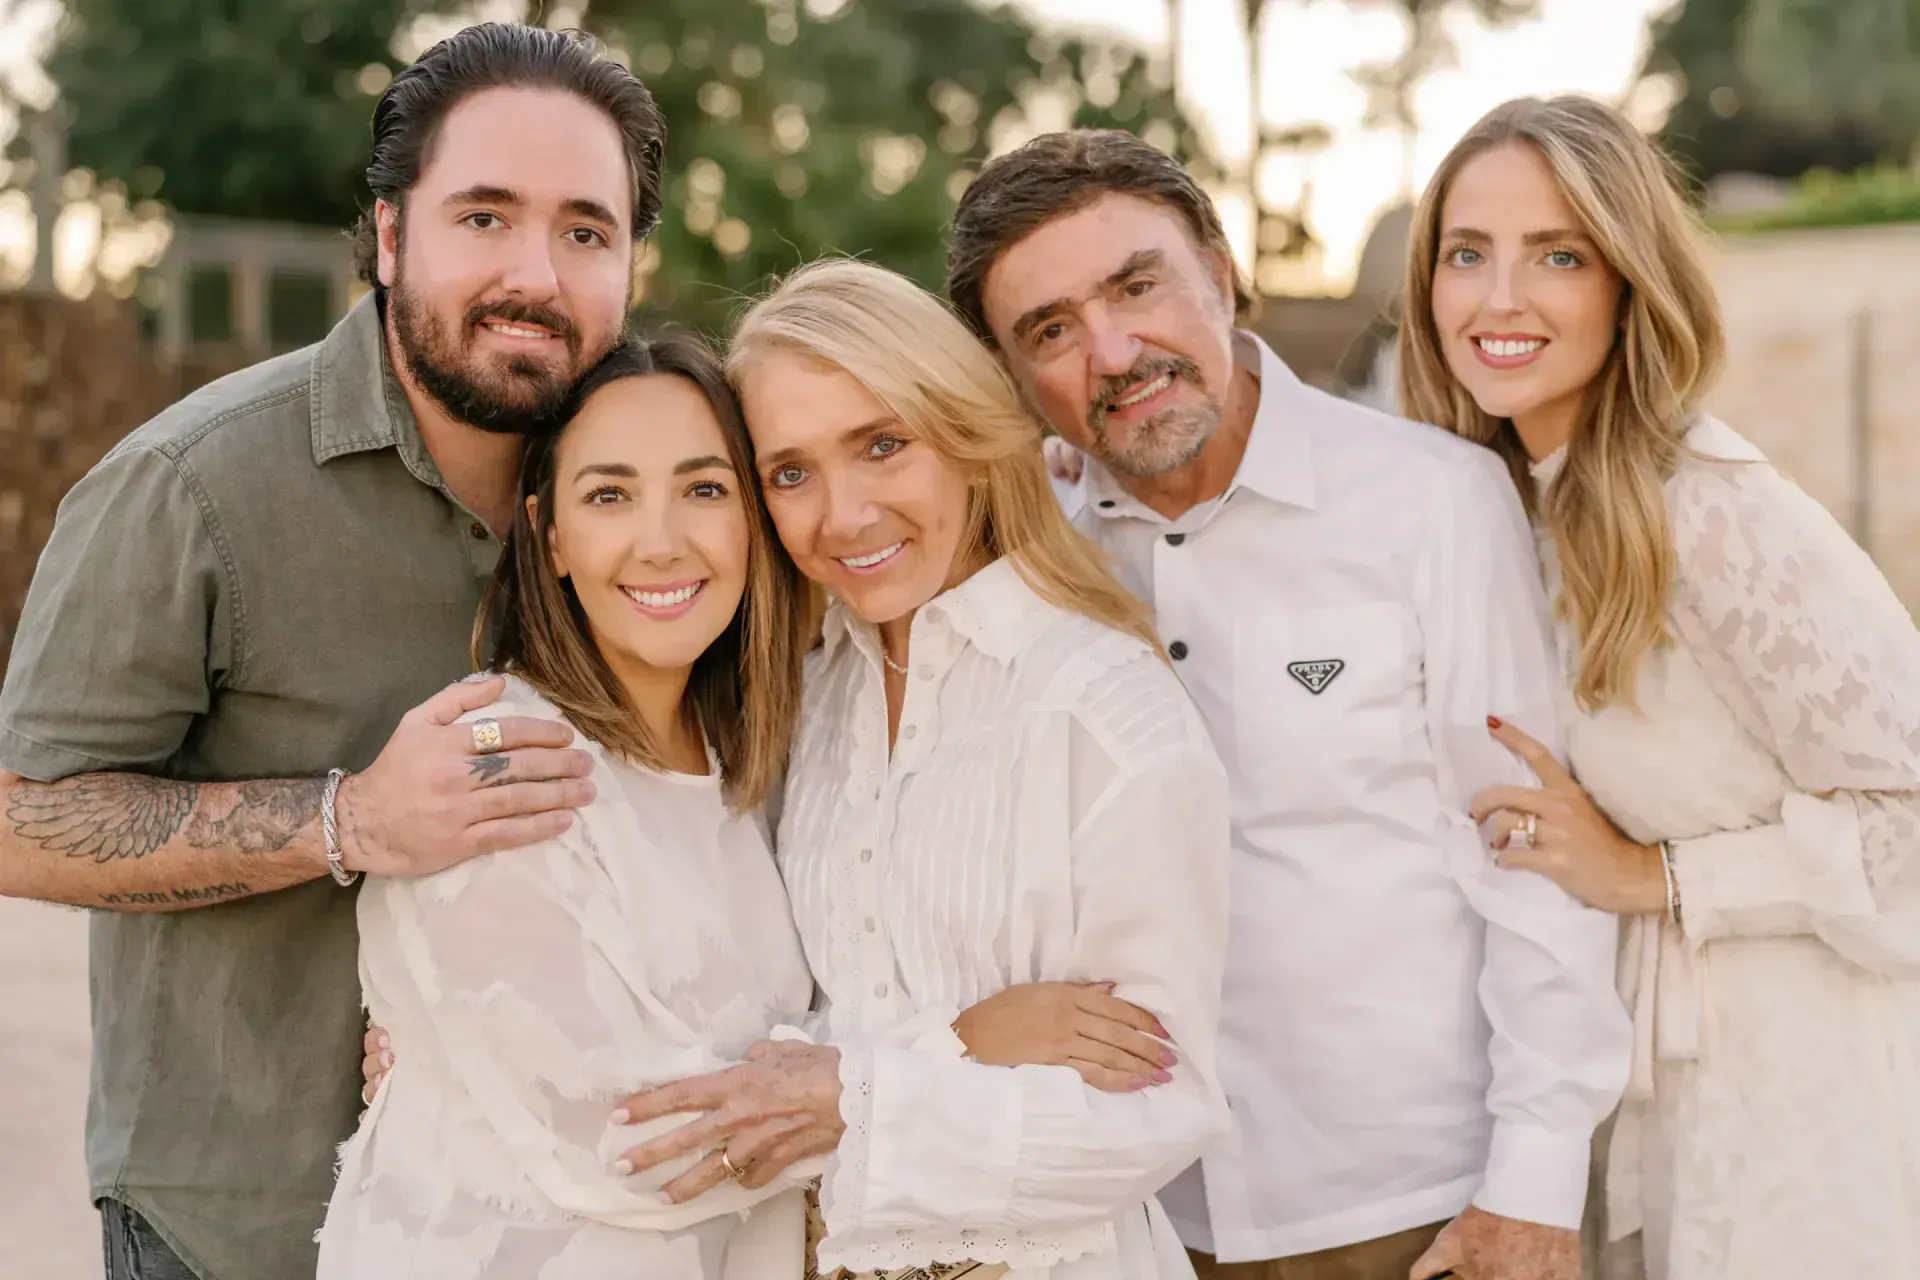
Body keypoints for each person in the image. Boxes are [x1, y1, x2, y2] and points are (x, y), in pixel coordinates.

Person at [0, 24, 658, 1279]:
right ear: (394, 231)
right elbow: (20, 819)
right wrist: (347, 817)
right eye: (484, 217)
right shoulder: (190, 489)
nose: (537, 271)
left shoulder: (669, 497)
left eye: (586, 230)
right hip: (250, 1229)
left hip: (563, 1225)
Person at [950, 130, 1633, 1280]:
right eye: (1051, 330)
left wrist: (1534, 1185)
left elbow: (1531, 861)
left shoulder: (1434, 505)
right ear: (1014, 379)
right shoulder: (1023, 559)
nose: (1114, 349)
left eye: (1137, 284)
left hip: (1415, 1207)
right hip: (1139, 1215)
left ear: (1219, 271)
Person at [606, 258, 1234, 1279]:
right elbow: (761, 1016)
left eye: (883, 445)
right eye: (791, 472)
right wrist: (965, 1044)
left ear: (969, 439)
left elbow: (1159, 1107)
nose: (844, 514)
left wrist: (852, 1096)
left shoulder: (1102, 710)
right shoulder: (810, 699)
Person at [1397, 93, 1920, 1280]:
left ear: (1630, 283)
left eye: (1559, 256)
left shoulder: (1713, 510)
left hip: (1793, 1092)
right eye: (1467, 255)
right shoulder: (1503, 507)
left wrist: (1659, 873)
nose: (1499, 299)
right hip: (1623, 1086)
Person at [317, 333, 825, 1278]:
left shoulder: (750, 766)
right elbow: (628, 1140)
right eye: (610, 495)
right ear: (549, 536)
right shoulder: (500, 756)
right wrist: (922, 1082)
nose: (662, 538)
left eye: (705, 488)